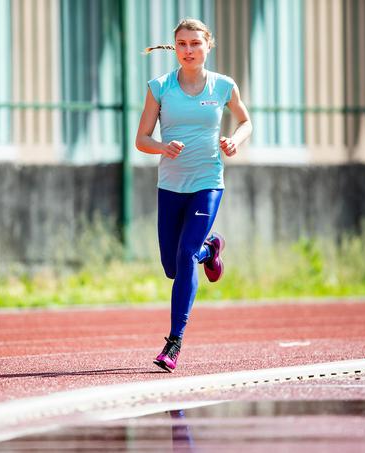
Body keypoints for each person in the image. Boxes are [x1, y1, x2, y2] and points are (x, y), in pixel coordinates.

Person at [135, 18, 252, 372]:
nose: (188, 50)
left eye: (195, 44)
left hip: (207, 182)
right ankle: (211, 247)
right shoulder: (160, 88)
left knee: (185, 256)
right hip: (171, 185)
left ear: (207, 47)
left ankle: (173, 344)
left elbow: (246, 122)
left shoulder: (222, 86)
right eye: (182, 44)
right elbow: (141, 139)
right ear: (176, 48)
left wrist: (235, 140)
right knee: (172, 267)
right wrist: (162, 147)